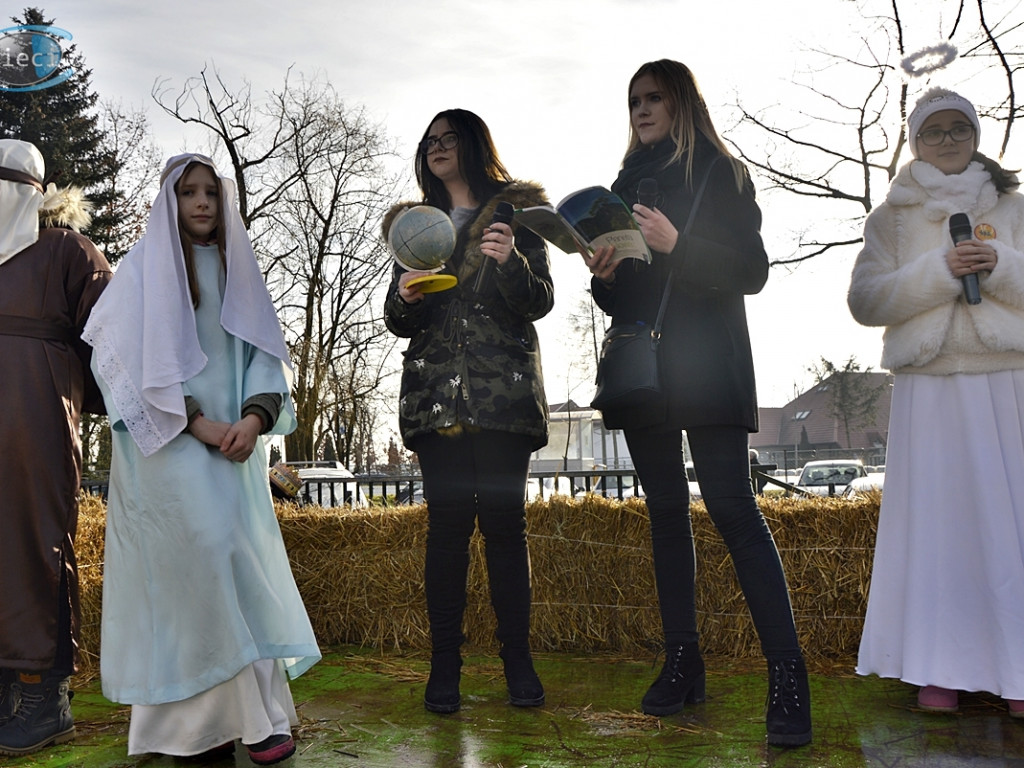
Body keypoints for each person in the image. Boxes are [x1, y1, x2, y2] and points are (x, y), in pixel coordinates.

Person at [582, 60, 811, 746]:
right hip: (645, 370)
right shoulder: (621, 187)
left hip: (708, 364)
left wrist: (677, 244)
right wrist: (604, 274)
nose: (642, 109)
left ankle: (788, 676)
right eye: (633, 101)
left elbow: (752, 271)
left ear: (680, 102)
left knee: (734, 508)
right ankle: (683, 662)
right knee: (664, 514)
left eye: (653, 97)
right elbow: (620, 298)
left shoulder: (721, 171)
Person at [82, 154, 321, 763]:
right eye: (188, 192)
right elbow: (122, 363)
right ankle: (194, 727)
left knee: (234, 563)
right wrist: (201, 424)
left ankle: (251, 717)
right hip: (166, 452)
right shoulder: (140, 272)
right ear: (169, 199)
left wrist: (252, 419)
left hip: (235, 449)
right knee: (196, 563)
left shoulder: (240, 268)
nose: (201, 202)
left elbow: (267, 354)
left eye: (210, 192)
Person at [850, 87, 1024, 719]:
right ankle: (937, 666)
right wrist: (938, 273)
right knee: (938, 532)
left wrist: (999, 264)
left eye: (959, 129)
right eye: (933, 130)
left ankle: (1017, 672)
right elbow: (866, 302)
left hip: (1007, 380)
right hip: (928, 387)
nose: (947, 140)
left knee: (1013, 530)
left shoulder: (1013, 207)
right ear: (915, 139)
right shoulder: (890, 219)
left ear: (977, 136)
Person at [383, 109, 553, 714]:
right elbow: (399, 320)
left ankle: (518, 662)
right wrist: (404, 295)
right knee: (448, 530)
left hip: (502, 395)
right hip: (436, 396)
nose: (437, 147)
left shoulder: (517, 214)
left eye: (448, 138)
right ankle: (444, 665)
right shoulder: (416, 226)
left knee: (507, 529)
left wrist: (511, 262)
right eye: (429, 140)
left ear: (475, 144)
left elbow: (540, 302)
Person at [0, 139, 112, 756]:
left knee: (36, 539)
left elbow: (113, 333)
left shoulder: (66, 250)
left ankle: (46, 695)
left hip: (35, 422)